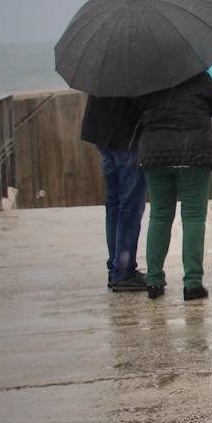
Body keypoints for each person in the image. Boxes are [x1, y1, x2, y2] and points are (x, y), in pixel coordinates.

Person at [136, 71, 212, 301]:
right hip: (194, 155)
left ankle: (154, 281)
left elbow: (133, 112)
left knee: (159, 216)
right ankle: (192, 284)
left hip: (156, 155)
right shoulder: (197, 76)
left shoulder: (146, 79)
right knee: (193, 218)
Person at [80, 95, 148, 291]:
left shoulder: (105, 66)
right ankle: (124, 271)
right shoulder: (130, 68)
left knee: (114, 204)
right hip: (126, 135)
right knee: (130, 206)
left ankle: (116, 266)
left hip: (102, 132)